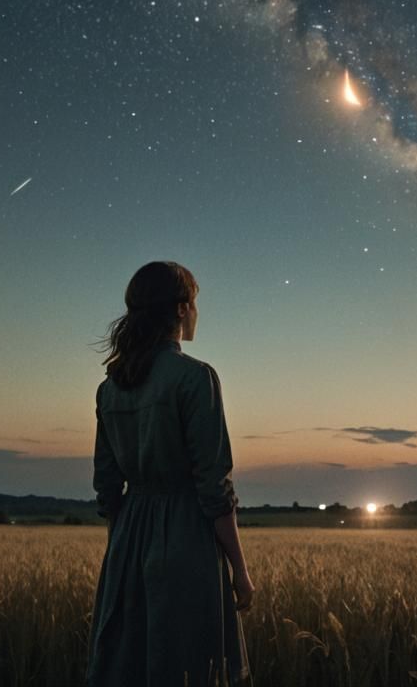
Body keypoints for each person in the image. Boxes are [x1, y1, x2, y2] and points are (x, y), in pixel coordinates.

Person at [86, 261, 254, 686]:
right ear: (181, 310)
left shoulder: (110, 388)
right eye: (194, 302)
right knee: (191, 664)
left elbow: (107, 488)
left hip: (127, 541)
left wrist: (123, 549)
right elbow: (214, 485)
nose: (197, 312)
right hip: (186, 539)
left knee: (131, 666)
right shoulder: (196, 378)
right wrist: (240, 568)